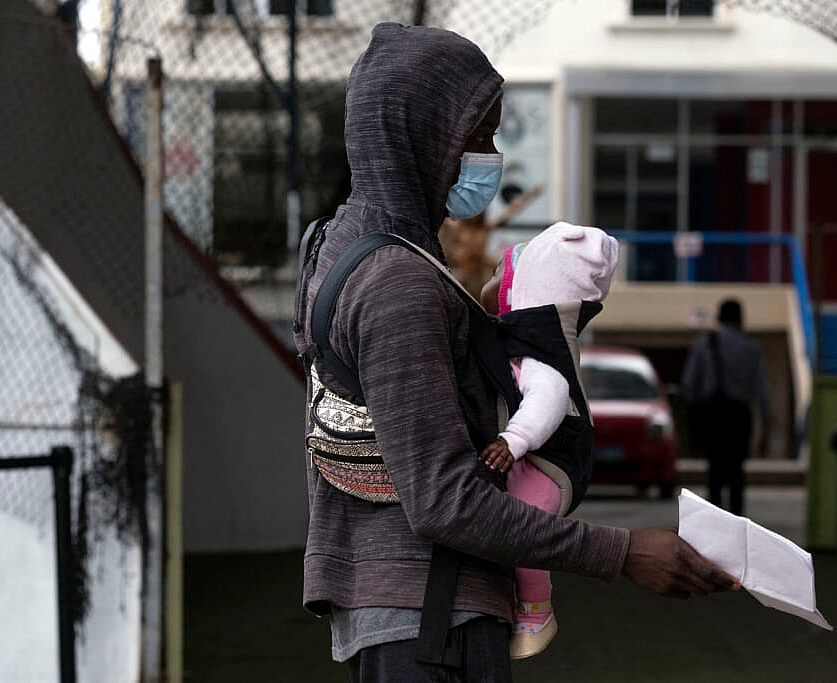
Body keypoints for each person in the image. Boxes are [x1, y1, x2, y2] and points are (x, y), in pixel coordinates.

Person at [293, 22, 739, 682]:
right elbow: (444, 501)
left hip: (401, 615)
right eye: (476, 138)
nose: (488, 158)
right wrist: (623, 552)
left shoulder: (335, 246)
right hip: (433, 626)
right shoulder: (399, 285)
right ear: (419, 135)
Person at [478, 222, 619, 659]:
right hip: (533, 456)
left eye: (508, 281)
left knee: (525, 527)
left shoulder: (544, 357)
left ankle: (538, 609)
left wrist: (513, 440)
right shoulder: (520, 340)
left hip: (551, 466)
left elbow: (549, 399)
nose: (497, 289)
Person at [681, 298, 772, 516]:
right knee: (736, 472)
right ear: (741, 319)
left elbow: (689, 384)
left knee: (714, 471)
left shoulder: (704, 344)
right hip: (740, 415)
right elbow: (761, 392)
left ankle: (716, 521)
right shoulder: (751, 349)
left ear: (719, 318)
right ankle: (737, 518)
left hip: (713, 414)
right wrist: (766, 429)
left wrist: (695, 416)